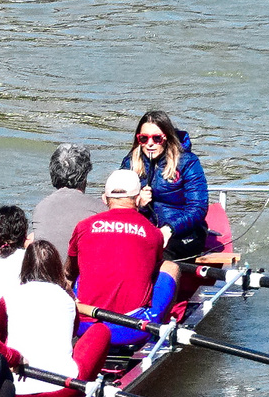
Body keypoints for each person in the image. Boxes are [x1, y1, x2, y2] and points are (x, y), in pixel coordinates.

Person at [67, 169, 179, 342]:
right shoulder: (153, 233)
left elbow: (69, 271)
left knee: (81, 271)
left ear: (105, 199)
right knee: (171, 267)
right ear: (138, 200)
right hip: (131, 329)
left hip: (84, 326)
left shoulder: (83, 226)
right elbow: (152, 272)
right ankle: (160, 331)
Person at [121, 110, 210, 262]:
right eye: (144, 138)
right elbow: (118, 202)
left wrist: (169, 229)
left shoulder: (187, 162)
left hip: (183, 233)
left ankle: (161, 283)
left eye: (157, 138)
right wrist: (138, 204)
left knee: (158, 251)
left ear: (167, 138)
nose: (150, 143)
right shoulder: (130, 162)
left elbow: (198, 208)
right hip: (143, 231)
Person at [1, 240, 78, 397]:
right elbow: (74, 332)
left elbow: (0, 337)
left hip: (16, 385)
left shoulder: (7, 297)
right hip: (60, 384)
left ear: (26, 266)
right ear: (56, 267)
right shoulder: (68, 299)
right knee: (99, 332)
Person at [31, 143, 104, 250]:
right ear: (85, 176)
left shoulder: (41, 208)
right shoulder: (100, 210)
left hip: (47, 265)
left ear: (53, 173)